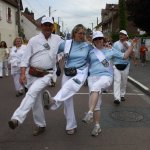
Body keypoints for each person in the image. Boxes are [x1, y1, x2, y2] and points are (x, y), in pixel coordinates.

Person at [8, 16, 62, 136]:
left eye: (50, 25)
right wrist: (22, 74)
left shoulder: (58, 39)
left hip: (47, 74)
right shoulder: (33, 40)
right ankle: (41, 125)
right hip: (32, 74)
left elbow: (68, 48)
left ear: (52, 26)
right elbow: (25, 59)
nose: (48, 27)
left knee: (32, 92)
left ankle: (16, 118)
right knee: (35, 100)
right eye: (45, 24)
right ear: (41, 26)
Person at [81, 31, 137, 136]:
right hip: (92, 77)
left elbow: (125, 56)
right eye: (96, 39)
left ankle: (89, 113)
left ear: (103, 40)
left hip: (106, 77)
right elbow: (84, 62)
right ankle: (97, 126)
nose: (98, 41)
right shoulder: (91, 52)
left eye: (100, 39)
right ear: (94, 41)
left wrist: (132, 46)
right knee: (96, 104)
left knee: (96, 87)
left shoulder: (110, 51)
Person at [42, 24, 93, 135]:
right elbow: (52, 50)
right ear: (74, 33)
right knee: (67, 99)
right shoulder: (66, 44)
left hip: (81, 72)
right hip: (68, 72)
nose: (82, 35)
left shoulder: (88, 46)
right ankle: (71, 125)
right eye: (80, 33)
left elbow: (93, 58)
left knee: (71, 86)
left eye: (83, 33)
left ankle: (53, 100)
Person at [113, 30, 134, 104]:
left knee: (124, 81)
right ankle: (117, 98)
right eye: (120, 34)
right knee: (117, 81)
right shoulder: (115, 44)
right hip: (116, 64)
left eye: (123, 34)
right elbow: (113, 54)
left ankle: (122, 95)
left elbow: (132, 55)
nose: (121, 35)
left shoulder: (129, 44)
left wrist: (127, 47)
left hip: (126, 65)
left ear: (126, 36)